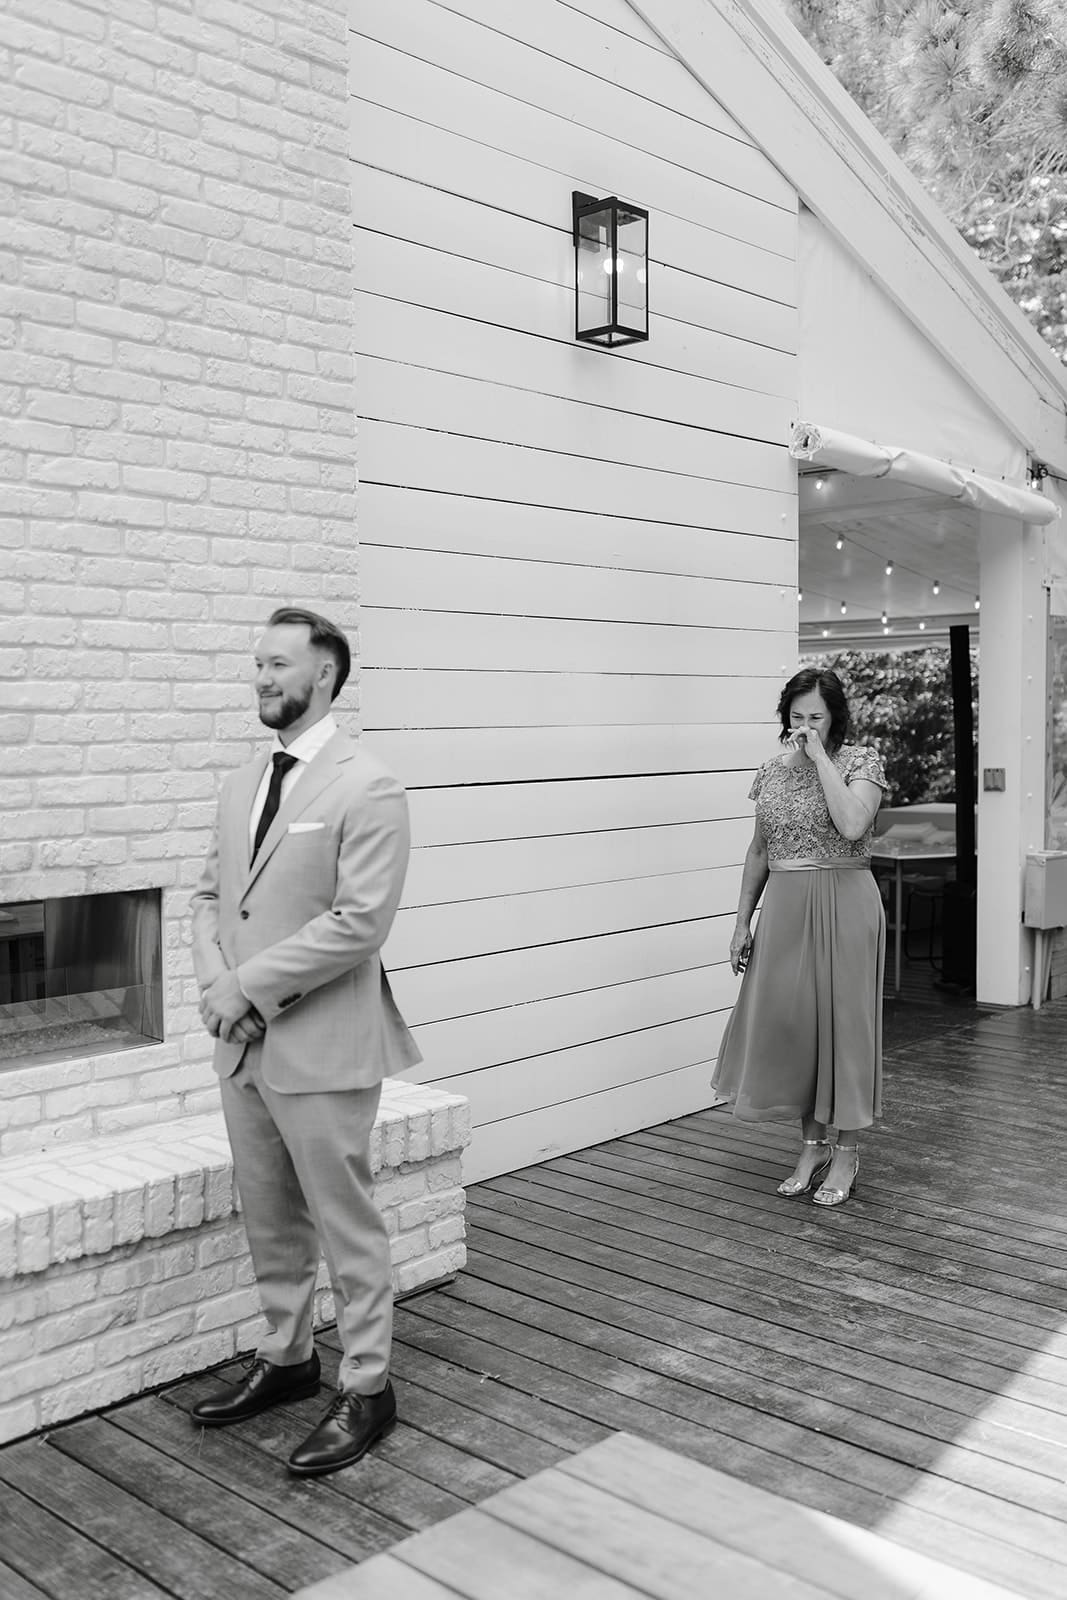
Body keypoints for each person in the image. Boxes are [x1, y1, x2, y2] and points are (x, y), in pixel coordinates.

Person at [189, 607, 421, 1475]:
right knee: (270, 1215)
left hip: (322, 1042)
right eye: (257, 663)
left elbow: (359, 923)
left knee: (342, 1218)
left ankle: (368, 1385)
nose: (260, 677)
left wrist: (244, 986)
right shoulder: (243, 777)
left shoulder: (370, 785)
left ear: (323, 674)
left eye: (277, 664)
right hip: (241, 1043)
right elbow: (210, 896)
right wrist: (219, 987)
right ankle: (288, 1360)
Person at [711, 667, 886, 1207]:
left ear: (834, 718)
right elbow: (759, 851)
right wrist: (742, 921)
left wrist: (820, 760)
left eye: (816, 716)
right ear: (783, 716)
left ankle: (848, 1151)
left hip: (845, 900)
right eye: (796, 716)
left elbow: (853, 825)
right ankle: (811, 1145)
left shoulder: (860, 761)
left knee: (845, 1029)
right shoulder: (769, 771)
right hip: (785, 906)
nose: (805, 725)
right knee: (796, 1027)